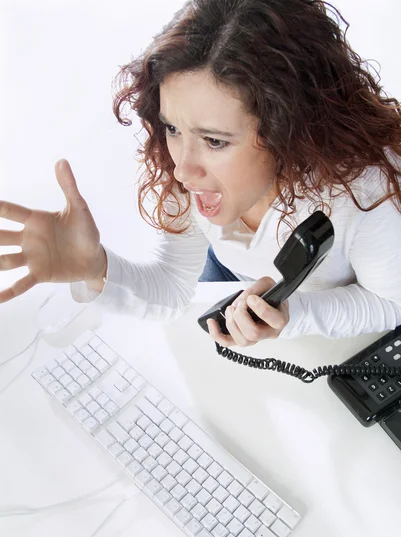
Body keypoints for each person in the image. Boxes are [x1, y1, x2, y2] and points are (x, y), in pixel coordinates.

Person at [1, 0, 401, 348]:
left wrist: (291, 315)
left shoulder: (367, 190)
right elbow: (176, 286)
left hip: (329, 308)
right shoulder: (186, 168)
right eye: (173, 128)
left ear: (290, 129)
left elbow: (389, 302)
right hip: (235, 274)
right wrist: (97, 267)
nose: (182, 169)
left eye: (214, 141)